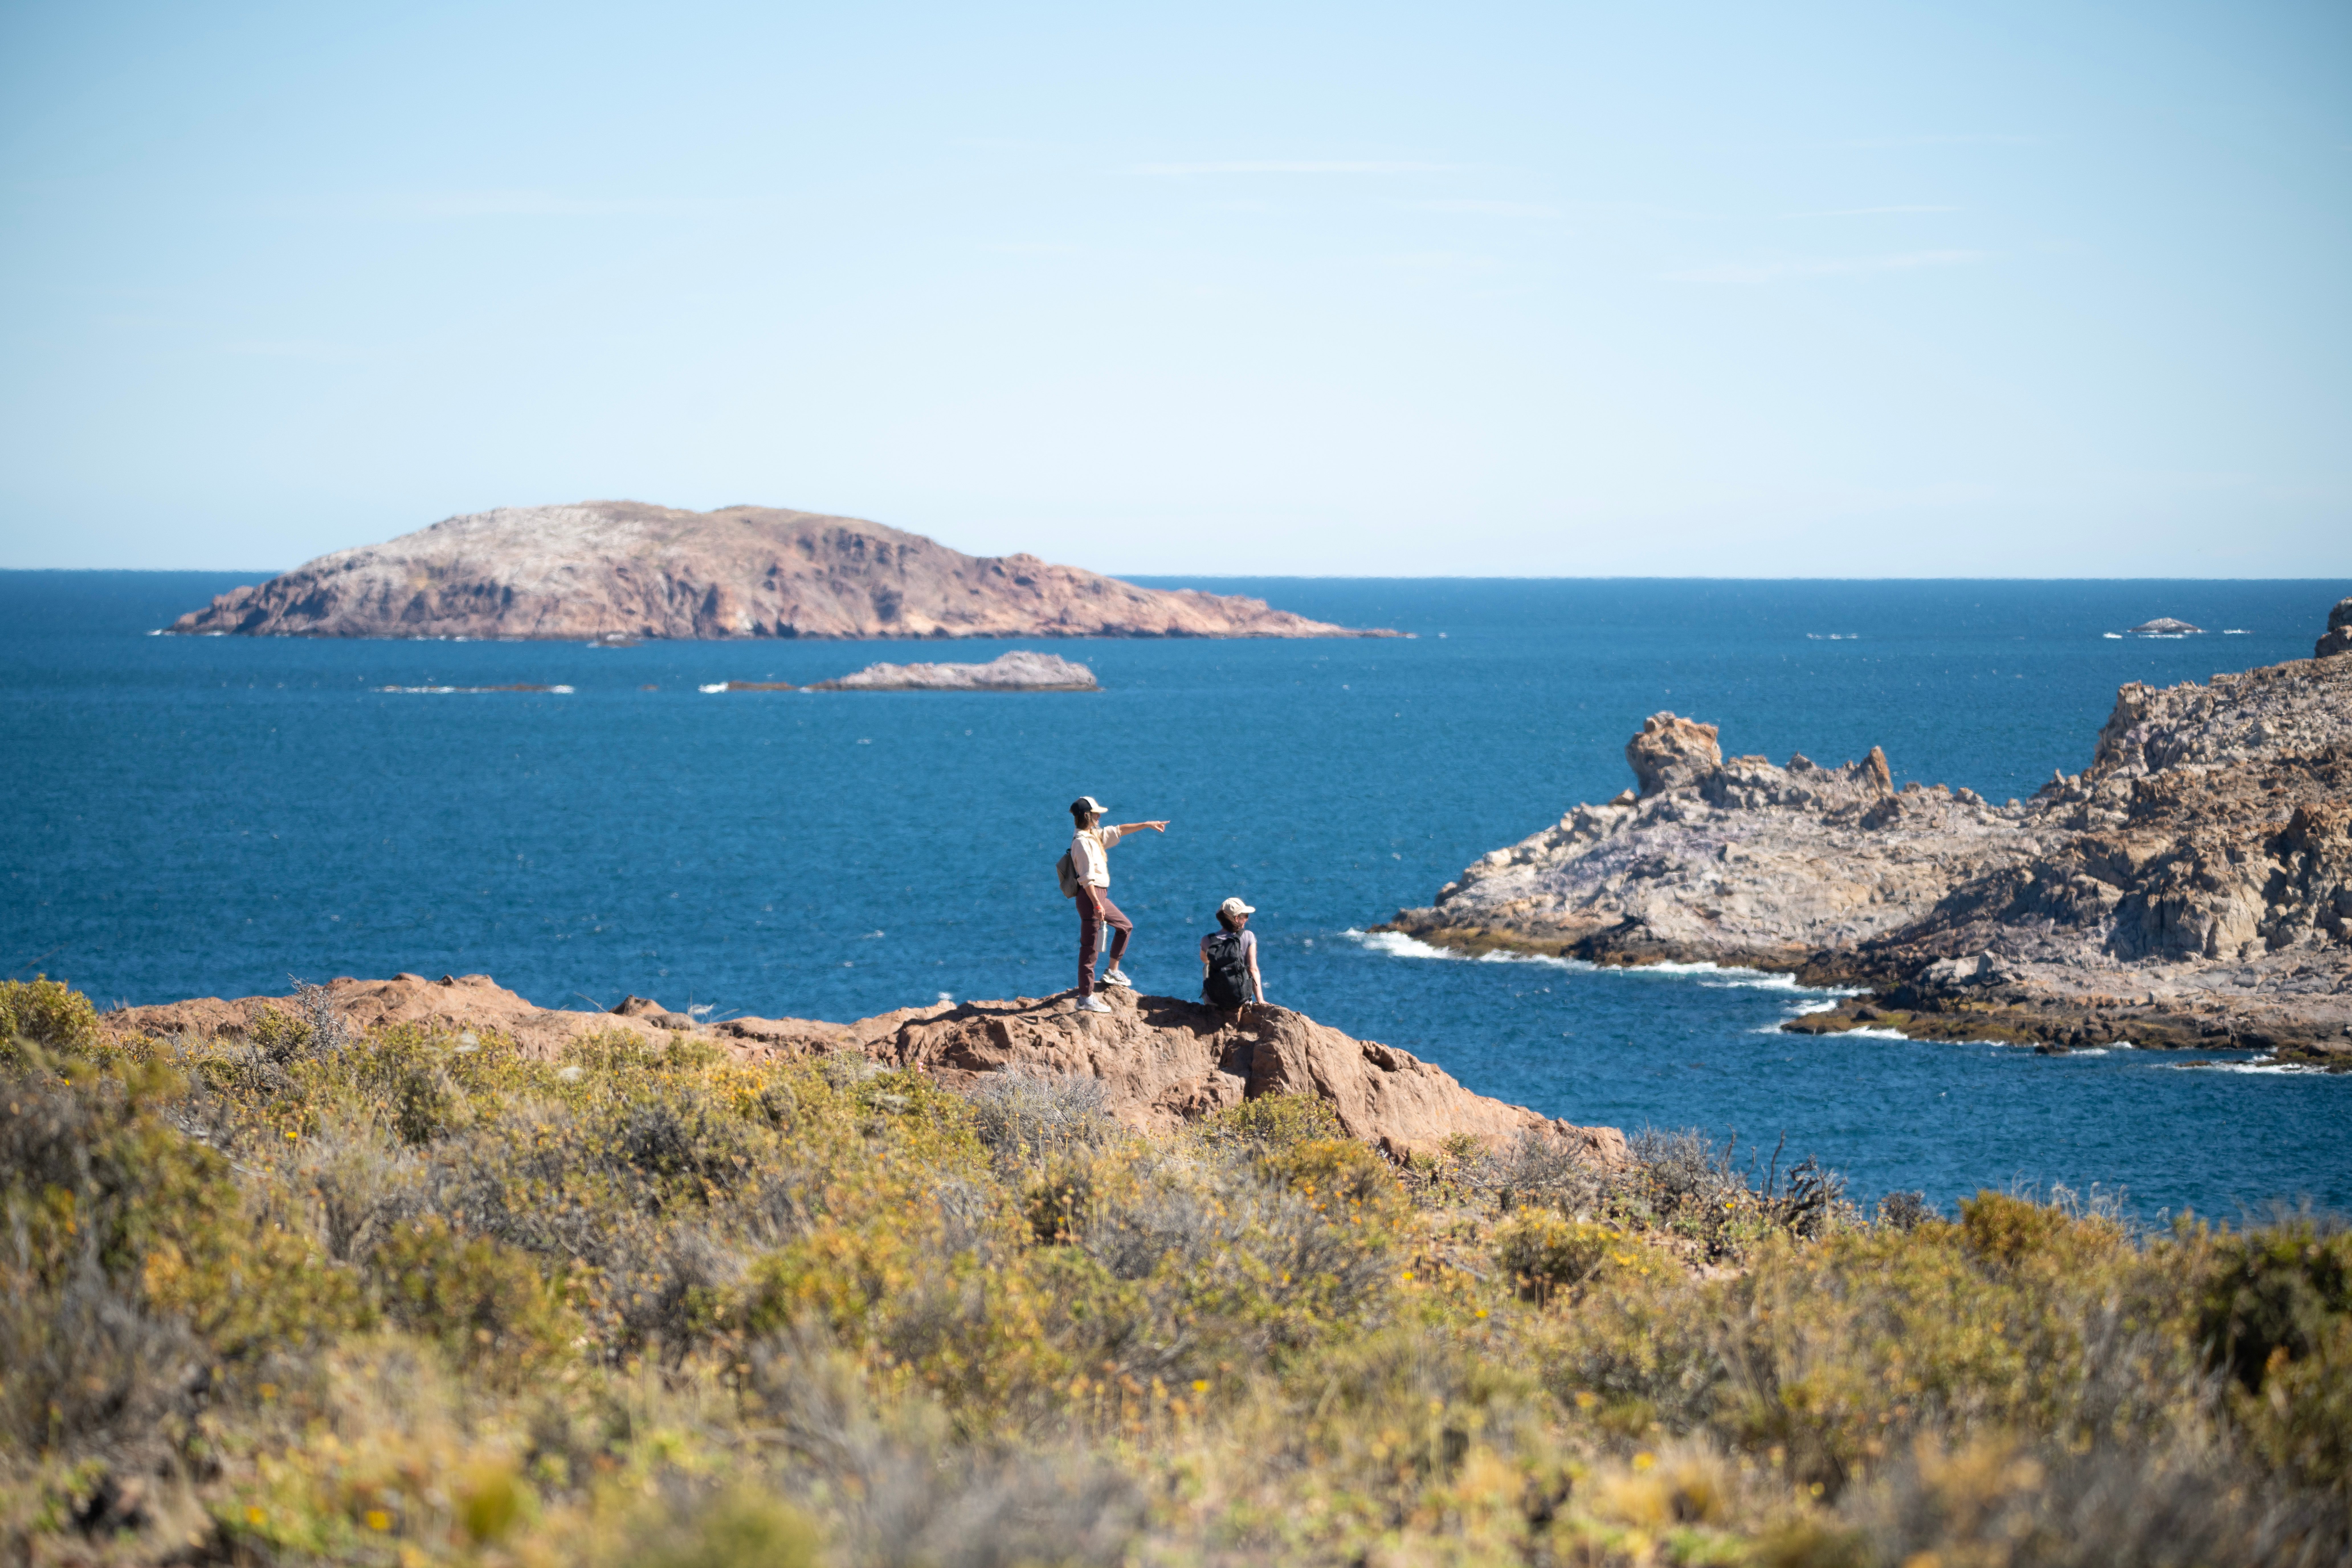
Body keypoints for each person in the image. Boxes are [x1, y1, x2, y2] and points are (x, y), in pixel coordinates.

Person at [1068, 795, 1167, 1014]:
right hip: (1091, 897)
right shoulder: (1082, 843)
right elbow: (1086, 879)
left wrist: (1147, 825)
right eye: (1096, 814)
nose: (1100, 816)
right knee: (1090, 949)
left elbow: (1119, 830)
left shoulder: (1093, 836)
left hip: (1099, 896)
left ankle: (1112, 971)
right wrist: (1097, 904)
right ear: (1087, 816)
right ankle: (1085, 997)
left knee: (1125, 926)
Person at [1200, 896, 1265, 1011]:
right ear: (1236, 918)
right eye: (1246, 916)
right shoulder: (1248, 936)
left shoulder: (1207, 940)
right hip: (1241, 1000)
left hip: (1214, 1001)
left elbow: (1205, 960)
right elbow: (1253, 969)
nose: (1247, 919)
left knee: (1208, 966)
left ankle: (1210, 1001)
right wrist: (1260, 1000)